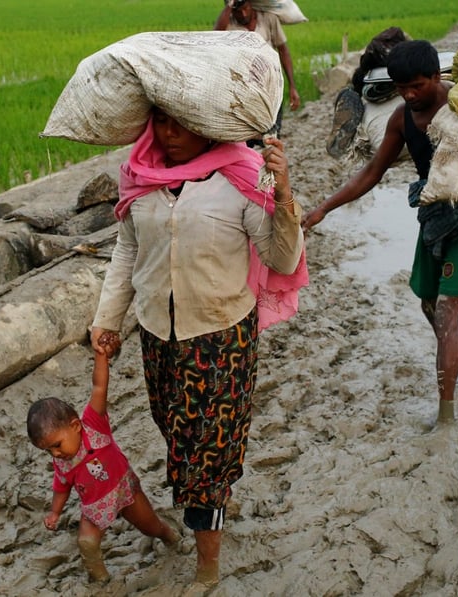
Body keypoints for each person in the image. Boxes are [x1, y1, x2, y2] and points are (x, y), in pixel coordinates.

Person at [89, 108, 306, 586]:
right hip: (158, 338)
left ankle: (208, 566)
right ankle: (204, 507)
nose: (170, 134)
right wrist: (107, 319)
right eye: (161, 123)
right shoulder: (139, 179)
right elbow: (127, 250)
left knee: (209, 456)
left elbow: (281, 256)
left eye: (182, 124)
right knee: (177, 436)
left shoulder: (242, 178)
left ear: (208, 126)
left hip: (221, 338)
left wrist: (284, 193)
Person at [302, 40, 458, 426]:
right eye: (402, 87)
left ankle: (447, 418)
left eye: (417, 86)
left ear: (436, 78)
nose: (409, 94)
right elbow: (372, 173)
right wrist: (323, 208)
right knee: (427, 303)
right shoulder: (401, 119)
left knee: (445, 313)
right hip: (433, 213)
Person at [26, 331, 179, 583]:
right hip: (94, 506)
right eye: (48, 450)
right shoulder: (62, 462)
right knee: (86, 542)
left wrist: (101, 356)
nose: (55, 453)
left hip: (123, 490)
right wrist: (55, 513)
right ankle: (101, 580)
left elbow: (99, 387)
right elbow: (61, 487)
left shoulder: (93, 424)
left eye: (56, 445)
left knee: (150, 526)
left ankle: (168, 535)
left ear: (75, 426)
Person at [215, 0, 302, 135]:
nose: (243, 14)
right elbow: (216, 35)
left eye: (245, 8)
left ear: (251, 5)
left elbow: (283, 51)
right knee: (245, 136)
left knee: (271, 135)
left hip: (269, 89)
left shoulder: (268, 18)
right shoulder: (230, 23)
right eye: (238, 11)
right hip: (243, 92)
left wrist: (292, 87)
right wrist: (229, 5)